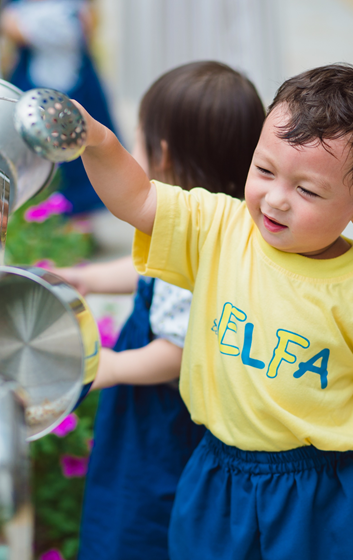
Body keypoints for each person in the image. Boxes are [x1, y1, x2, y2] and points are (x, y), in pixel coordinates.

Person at [73, 63, 353, 560]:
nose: (275, 199)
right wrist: (97, 142)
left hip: (326, 489)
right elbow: (137, 199)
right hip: (218, 474)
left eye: (307, 190)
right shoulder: (220, 229)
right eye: (264, 170)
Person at [56, 61, 265, 560]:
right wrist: (91, 278)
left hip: (162, 419)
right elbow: (151, 269)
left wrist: (109, 366)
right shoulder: (224, 217)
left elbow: (177, 348)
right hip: (181, 411)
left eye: (139, 141)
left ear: (163, 153)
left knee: (139, 517)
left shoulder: (195, 228)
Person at [0, 0, 119, 215]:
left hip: (75, 79)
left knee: (82, 142)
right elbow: (11, 28)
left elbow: (87, 26)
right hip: (33, 79)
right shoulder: (19, 9)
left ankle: (79, 212)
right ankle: (34, 209)